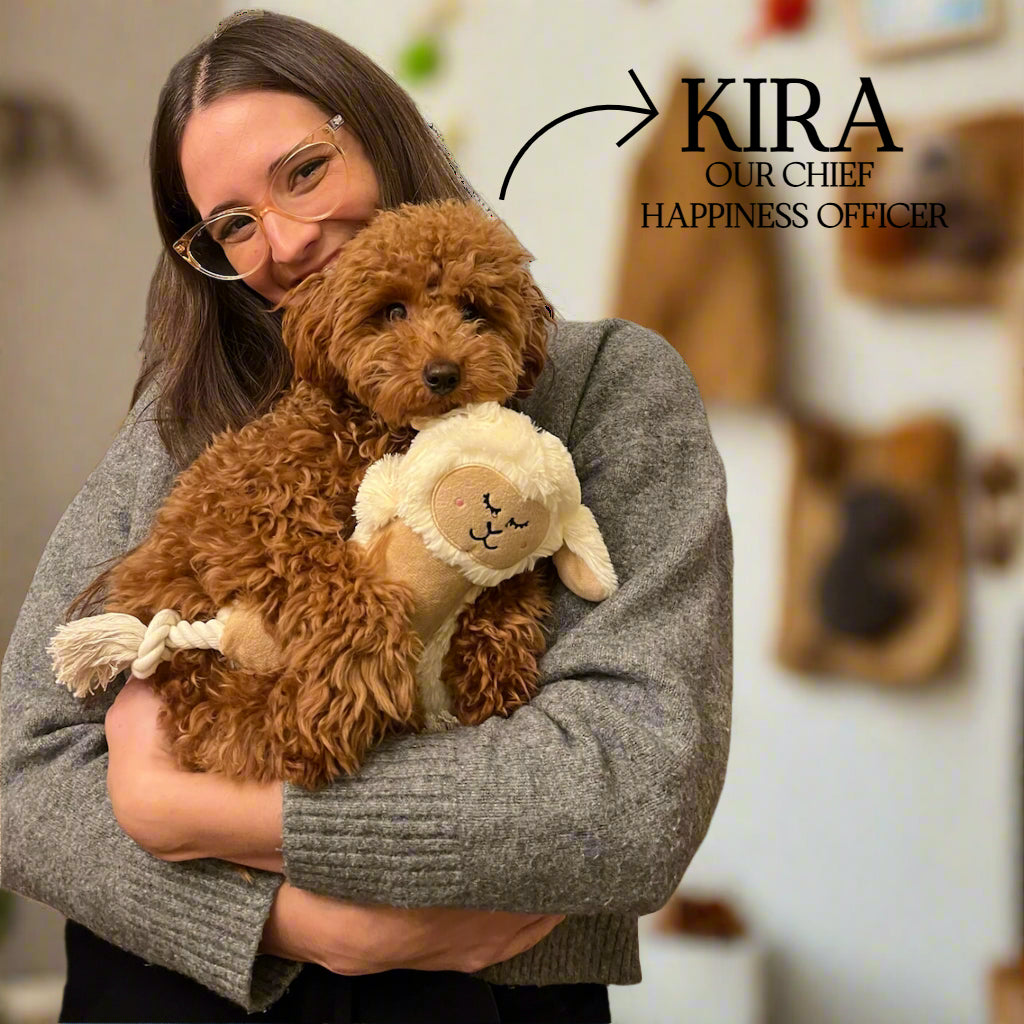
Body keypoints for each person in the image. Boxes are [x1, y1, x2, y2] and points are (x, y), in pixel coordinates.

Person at [0, 10, 732, 1024]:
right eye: (233, 225)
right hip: (170, 990)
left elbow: (628, 794)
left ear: (381, 135)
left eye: (303, 171)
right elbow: (26, 768)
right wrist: (295, 920)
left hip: (479, 997)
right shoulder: (183, 426)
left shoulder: (605, 386)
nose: (288, 242)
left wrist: (183, 807)